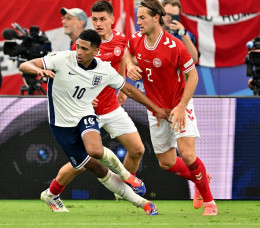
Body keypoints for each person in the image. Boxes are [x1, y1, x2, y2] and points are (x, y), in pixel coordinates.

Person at [19, 29, 169, 215]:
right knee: (93, 167)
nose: (79, 52)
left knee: (96, 151)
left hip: (85, 114)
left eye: (84, 49)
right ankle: (51, 195)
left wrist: (156, 108)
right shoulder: (61, 59)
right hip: (62, 124)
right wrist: (38, 70)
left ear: (96, 51)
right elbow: (25, 65)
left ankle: (138, 194)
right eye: (78, 47)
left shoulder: (104, 70)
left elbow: (129, 90)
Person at [43, 0, 149, 209]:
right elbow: (72, 77)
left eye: (102, 19)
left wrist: (120, 86)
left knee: (137, 150)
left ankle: (123, 192)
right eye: (95, 19)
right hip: (87, 112)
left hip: (111, 107)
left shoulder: (120, 40)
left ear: (112, 19)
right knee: (81, 164)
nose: (98, 23)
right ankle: (52, 192)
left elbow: (119, 60)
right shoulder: (83, 46)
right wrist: (83, 96)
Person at [125, 0, 217, 216]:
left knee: (187, 155)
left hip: (178, 106)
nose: (138, 22)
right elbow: (127, 52)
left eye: (142, 18)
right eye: (138, 17)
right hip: (156, 111)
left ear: (156, 17)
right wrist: (129, 65)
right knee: (166, 162)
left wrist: (182, 106)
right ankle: (201, 176)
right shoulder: (136, 40)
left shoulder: (174, 45)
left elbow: (192, 74)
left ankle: (210, 203)